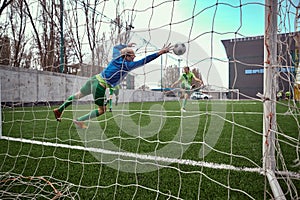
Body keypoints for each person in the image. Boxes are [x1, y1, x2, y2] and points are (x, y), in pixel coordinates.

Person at [53, 43, 172, 128]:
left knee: (77, 95)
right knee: (102, 110)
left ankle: (59, 109)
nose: (134, 57)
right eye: (132, 55)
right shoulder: (127, 65)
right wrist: (159, 53)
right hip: (99, 86)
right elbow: (144, 60)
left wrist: (126, 45)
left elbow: (116, 47)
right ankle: (79, 120)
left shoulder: (116, 57)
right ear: (126, 56)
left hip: (94, 79)